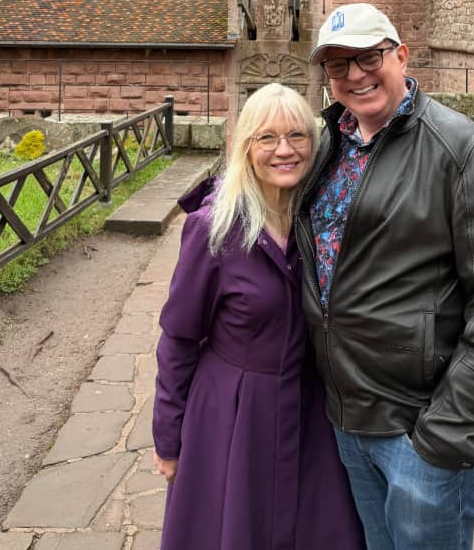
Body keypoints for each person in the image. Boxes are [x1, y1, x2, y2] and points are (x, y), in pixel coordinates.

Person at [296, 2, 474, 550]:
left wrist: (447, 432)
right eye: (339, 65)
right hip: (347, 416)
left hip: (420, 430)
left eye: (369, 57)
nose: (356, 75)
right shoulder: (326, 146)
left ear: (401, 56)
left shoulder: (463, 150)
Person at [152, 82, 365, 550]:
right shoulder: (214, 229)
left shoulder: (320, 221)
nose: (283, 150)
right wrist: (168, 438)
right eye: (266, 138)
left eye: (296, 136)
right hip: (233, 414)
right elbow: (178, 339)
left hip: (312, 409)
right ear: (245, 147)